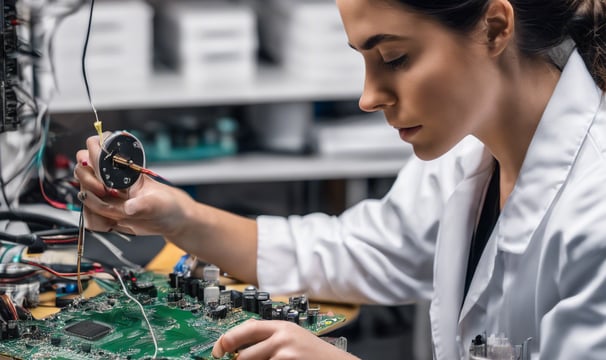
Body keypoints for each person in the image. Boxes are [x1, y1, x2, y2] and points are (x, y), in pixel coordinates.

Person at [74, 0, 606, 359]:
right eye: (364, 61)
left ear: (494, 27)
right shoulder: (471, 154)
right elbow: (357, 249)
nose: (368, 97)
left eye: (394, 57)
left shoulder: (595, 210)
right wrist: (177, 215)